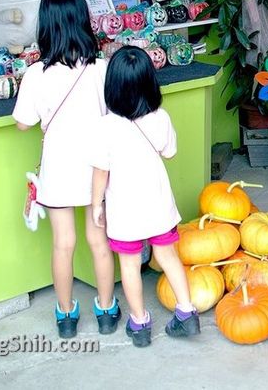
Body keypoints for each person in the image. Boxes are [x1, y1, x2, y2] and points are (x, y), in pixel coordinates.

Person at [13, 0, 119, 339]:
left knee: (63, 243)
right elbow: (116, 114)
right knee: (98, 241)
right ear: (82, 22)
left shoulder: (34, 75)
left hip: (58, 168)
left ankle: (66, 315)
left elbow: (23, 122)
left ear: (46, 26)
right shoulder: (101, 69)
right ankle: (106, 309)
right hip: (97, 170)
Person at [92, 46, 198, 347]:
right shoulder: (160, 117)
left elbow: (100, 171)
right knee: (168, 256)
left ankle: (139, 324)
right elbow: (170, 152)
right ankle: (187, 313)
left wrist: (96, 205)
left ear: (111, 86)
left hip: (125, 211)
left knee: (129, 264)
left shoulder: (106, 126)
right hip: (158, 205)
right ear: (151, 82)